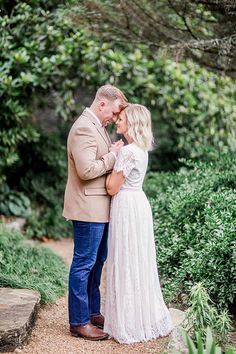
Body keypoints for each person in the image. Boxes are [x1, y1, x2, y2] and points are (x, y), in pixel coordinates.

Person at [63, 85, 128, 341]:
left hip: (100, 208)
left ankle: (91, 312)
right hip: (88, 208)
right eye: (113, 111)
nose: (114, 117)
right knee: (84, 263)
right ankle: (78, 321)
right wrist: (113, 156)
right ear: (102, 104)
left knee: (97, 262)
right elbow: (86, 170)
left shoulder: (97, 126)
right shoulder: (83, 128)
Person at [104, 103, 173, 344]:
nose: (117, 121)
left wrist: (112, 157)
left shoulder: (127, 151)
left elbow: (112, 187)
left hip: (126, 206)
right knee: (138, 259)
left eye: (121, 118)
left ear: (132, 122)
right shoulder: (141, 149)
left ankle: (128, 322)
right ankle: (142, 317)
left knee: (125, 258)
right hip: (139, 205)